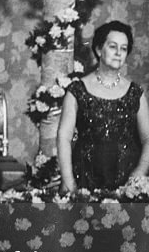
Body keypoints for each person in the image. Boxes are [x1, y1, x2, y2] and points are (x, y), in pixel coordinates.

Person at [57, 21, 149, 192]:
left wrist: (139, 173)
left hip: (127, 186)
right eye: (113, 46)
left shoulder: (136, 93)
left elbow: (148, 139)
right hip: (83, 182)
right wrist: (69, 182)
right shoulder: (77, 90)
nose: (118, 53)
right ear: (99, 50)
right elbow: (64, 138)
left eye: (123, 48)